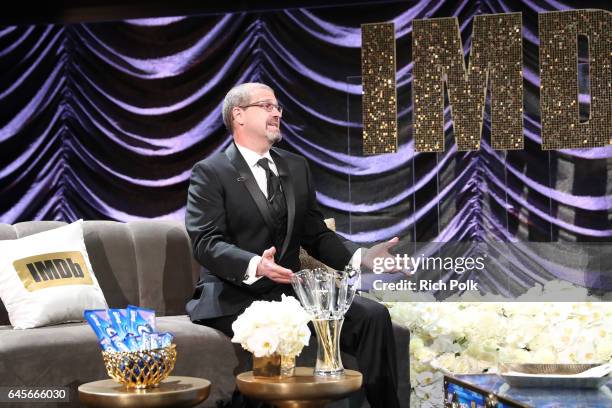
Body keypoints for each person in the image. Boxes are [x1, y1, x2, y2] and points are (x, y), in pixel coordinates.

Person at [185, 82, 401, 408]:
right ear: (239, 115)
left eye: (278, 107)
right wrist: (255, 264)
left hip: (290, 292)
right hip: (235, 293)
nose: (276, 113)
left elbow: (315, 234)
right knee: (272, 333)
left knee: (373, 315)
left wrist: (361, 256)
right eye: (267, 106)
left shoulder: (295, 167)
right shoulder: (211, 172)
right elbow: (206, 242)